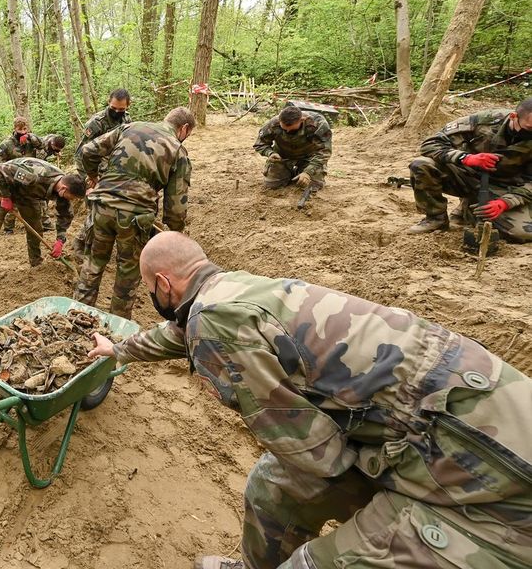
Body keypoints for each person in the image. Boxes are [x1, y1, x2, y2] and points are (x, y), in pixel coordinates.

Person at [89, 231, 532, 569]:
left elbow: (308, 447)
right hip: (463, 400)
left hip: (488, 474)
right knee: (274, 485)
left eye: (151, 288)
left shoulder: (215, 321)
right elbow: (182, 331)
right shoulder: (233, 290)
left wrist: (361, 494)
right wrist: (119, 349)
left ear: (163, 283)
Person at [74, 108, 194, 319]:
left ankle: (75, 319)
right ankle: (115, 330)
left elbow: (87, 151)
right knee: (127, 273)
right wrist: (175, 233)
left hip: (102, 206)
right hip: (136, 217)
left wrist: (93, 175)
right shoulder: (177, 150)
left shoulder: (129, 127)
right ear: (184, 129)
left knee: (93, 264)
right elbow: (176, 206)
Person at [406, 98, 532, 241]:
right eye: (530, 129)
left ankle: (468, 209)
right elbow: (430, 144)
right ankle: (436, 219)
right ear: (513, 117)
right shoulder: (484, 121)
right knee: (422, 164)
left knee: (521, 233)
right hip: (467, 175)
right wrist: (465, 158)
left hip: (508, 187)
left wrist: (505, 202)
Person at [0, 158, 86, 289]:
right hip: (6, 189)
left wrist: (60, 240)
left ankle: (36, 263)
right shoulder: (36, 175)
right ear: (64, 189)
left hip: (28, 196)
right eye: (71, 197)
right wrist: (6, 196)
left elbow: (65, 216)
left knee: (36, 230)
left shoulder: (62, 189)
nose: (71, 200)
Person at [253, 104, 332, 191]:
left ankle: (301, 171)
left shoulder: (317, 123)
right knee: (272, 186)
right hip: (282, 158)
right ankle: (289, 173)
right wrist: (270, 153)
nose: (287, 131)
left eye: (291, 129)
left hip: (309, 158)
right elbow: (260, 144)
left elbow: (324, 151)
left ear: (302, 120)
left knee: (311, 186)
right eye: (284, 129)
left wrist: (308, 172)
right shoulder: (273, 123)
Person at [0, 117, 44, 234]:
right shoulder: (6, 144)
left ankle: (35, 225)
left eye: (24, 129)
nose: (22, 132)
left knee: (34, 202)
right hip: (13, 178)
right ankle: (8, 228)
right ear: (14, 128)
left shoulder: (31, 141)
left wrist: (30, 137)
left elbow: (42, 145)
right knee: (12, 204)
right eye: (19, 129)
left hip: (29, 178)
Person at [75, 89, 131, 178]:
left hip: (118, 165)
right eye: (113, 108)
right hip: (99, 169)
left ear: (128, 105)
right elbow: (80, 154)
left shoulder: (126, 118)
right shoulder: (96, 123)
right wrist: (88, 179)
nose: (116, 112)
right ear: (108, 102)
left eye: (121, 109)